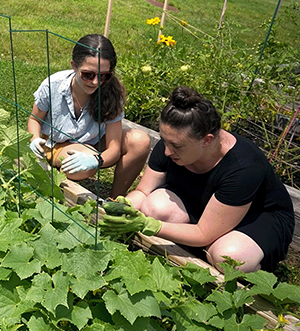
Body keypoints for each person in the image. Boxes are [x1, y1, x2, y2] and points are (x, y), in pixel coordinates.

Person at [99, 86, 295, 273]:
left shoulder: (244, 167)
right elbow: (144, 192)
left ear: (207, 140)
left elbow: (204, 233)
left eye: (176, 146)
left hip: (256, 217)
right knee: (155, 207)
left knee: (229, 258)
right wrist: (121, 207)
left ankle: (253, 276)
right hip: (204, 206)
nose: (167, 151)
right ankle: (193, 253)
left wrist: (148, 225)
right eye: (164, 140)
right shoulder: (173, 142)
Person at [27, 33, 151, 198]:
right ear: (74, 66)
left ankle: (114, 199)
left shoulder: (111, 92)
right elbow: (35, 119)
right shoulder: (53, 85)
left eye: (103, 76)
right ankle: (58, 174)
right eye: (88, 74)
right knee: (83, 163)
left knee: (140, 141)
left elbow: (114, 148)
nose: (95, 82)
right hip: (57, 143)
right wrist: (35, 138)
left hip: (93, 142)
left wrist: (96, 160)